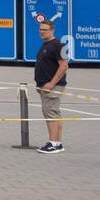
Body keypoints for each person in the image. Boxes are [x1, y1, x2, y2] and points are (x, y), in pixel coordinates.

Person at [33, 19, 69, 154]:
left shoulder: (59, 45)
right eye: (40, 30)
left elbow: (64, 65)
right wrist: (39, 84)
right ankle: (58, 143)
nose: (42, 32)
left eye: (45, 30)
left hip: (53, 86)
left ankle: (53, 143)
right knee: (54, 113)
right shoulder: (45, 45)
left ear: (52, 30)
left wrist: (51, 84)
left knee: (50, 113)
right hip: (45, 85)